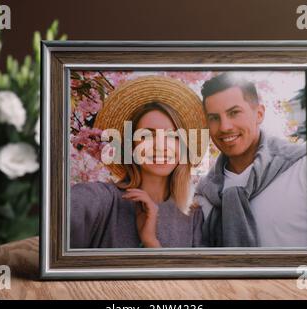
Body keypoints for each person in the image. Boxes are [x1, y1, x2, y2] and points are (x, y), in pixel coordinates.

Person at [70, 75, 206, 248]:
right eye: (146, 135)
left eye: (172, 136)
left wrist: (150, 241)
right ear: (130, 145)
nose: (160, 146)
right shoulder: (100, 199)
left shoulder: (193, 217)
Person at [195, 72, 307, 247]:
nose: (225, 127)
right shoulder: (205, 195)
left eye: (234, 113)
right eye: (214, 118)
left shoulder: (303, 168)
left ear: (259, 114)